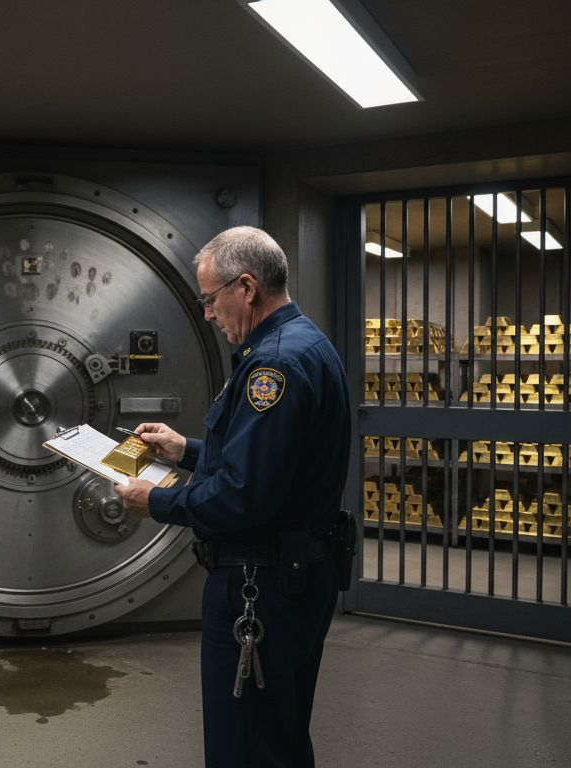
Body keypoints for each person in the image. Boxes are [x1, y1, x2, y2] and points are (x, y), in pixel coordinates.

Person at [114, 226, 352, 768]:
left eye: (209, 298)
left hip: (259, 586)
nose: (207, 313)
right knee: (281, 736)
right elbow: (273, 463)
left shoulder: (272, 367)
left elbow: (244, 498)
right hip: (298, 574)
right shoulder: (307, 343)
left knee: (245, 747)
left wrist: (154, 500)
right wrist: (186, 451)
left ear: (245, 287)